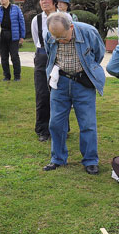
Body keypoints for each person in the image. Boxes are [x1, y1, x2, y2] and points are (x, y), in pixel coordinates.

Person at [42, 12, 105, 175]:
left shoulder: (89, 32)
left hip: (83, 83)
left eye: (63, 37)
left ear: (71, 27)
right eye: (56, 38)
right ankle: (58, 158)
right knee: (55, 123)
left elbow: (99, 54)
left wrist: (87, 72)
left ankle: (91, 160)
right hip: (60, 82)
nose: (59, 41)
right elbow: (50, 55)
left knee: (87, 124)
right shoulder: (49, 34)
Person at [31, 0, 58, 142]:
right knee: (42, 94)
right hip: (42, 58)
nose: (44, 2)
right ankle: (43, 129)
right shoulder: (37, 20)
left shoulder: (63, 17)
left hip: (60, 58)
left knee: (59, 94)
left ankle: (61, 126)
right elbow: (36, 41)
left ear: (54, 1)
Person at [0, 0, 25, 82]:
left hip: (13, 35)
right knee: (3, 57)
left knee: (14, 56)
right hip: (2, 35)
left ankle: (17, 76)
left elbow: (21, 22)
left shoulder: (16, 8)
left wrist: (22, 36)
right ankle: (6, 76)